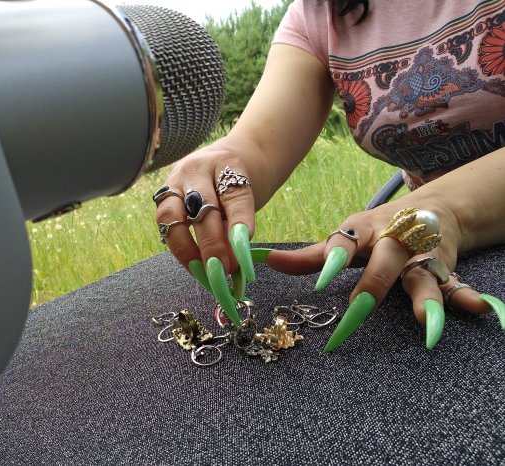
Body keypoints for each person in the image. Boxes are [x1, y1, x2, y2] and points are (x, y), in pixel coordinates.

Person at [154, 0, 505, 351]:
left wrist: (444, 208)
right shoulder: (319, 15)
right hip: (417, 252)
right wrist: (218, 166)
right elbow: (260, 143)